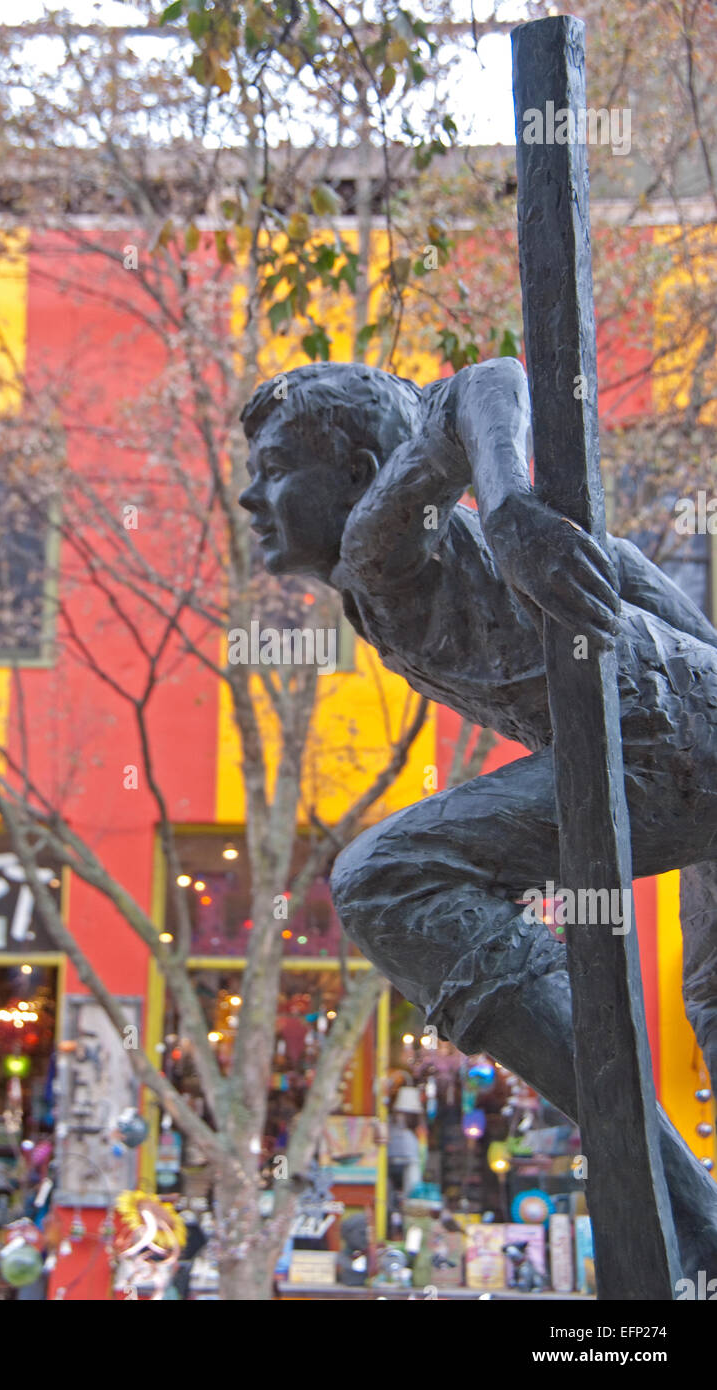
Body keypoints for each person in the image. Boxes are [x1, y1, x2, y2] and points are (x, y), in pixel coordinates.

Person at [239, 357, 717, 1275]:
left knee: (383, 880)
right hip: (692, 751)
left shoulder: (378, 543)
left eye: (274, 466)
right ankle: (693, 1221)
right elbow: (634, 574)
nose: (252, 497)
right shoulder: (384, 574)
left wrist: (512, 514)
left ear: (357, 471)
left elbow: (480, 383)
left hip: (655, 752)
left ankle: (677, 1204)